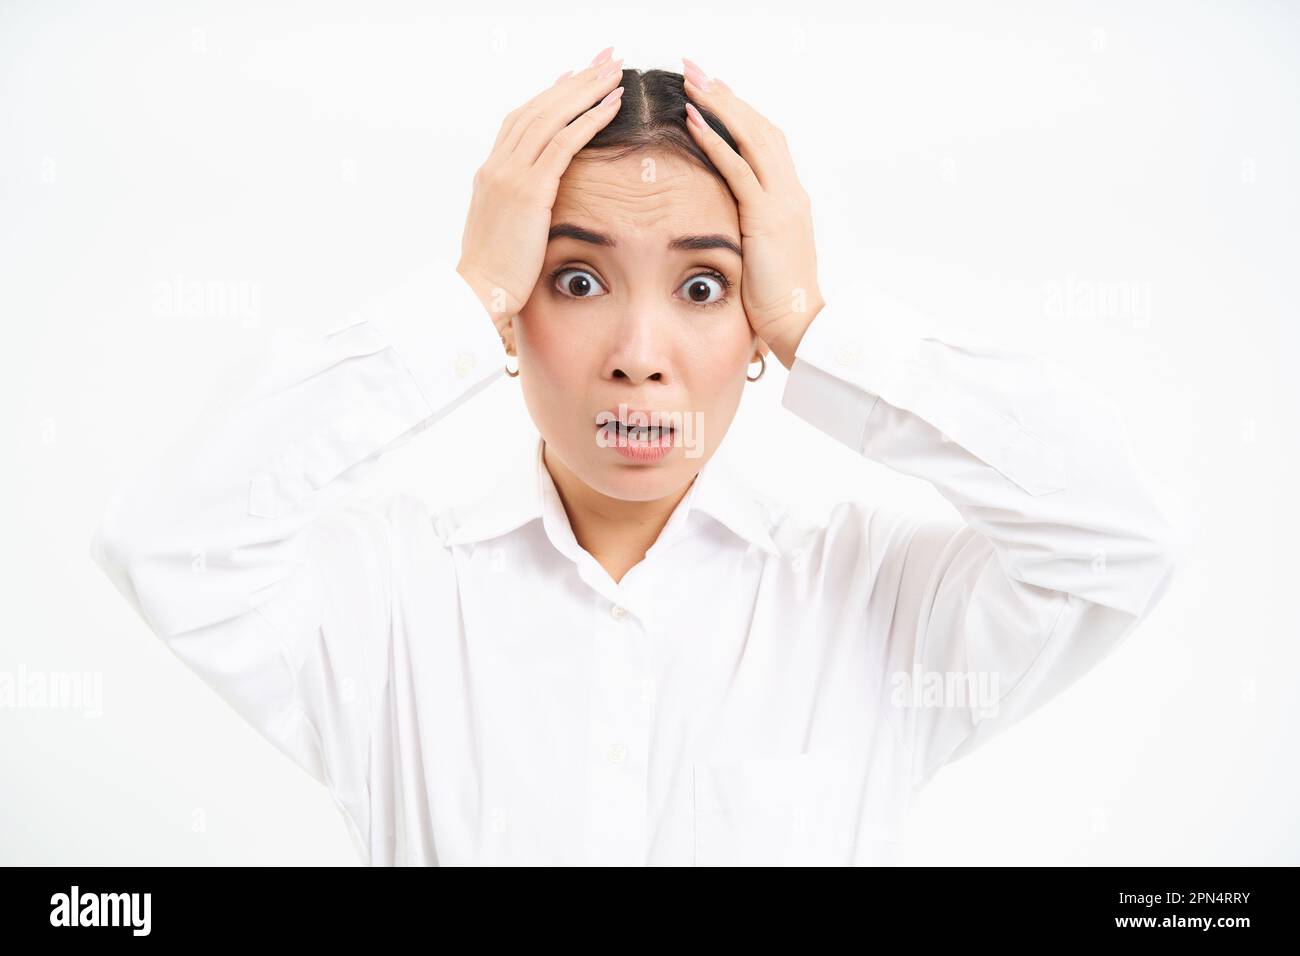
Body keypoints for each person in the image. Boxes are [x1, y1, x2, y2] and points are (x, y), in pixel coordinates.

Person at [90, 49, 1180, 866]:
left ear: (752, 326)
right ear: (515, 313)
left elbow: (1116, 541)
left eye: (703, 286)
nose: (639, 358)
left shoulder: (874, 596)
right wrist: (462, 300)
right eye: (574, 279)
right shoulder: (388, 595)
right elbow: (171, 543)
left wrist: (815, 322)